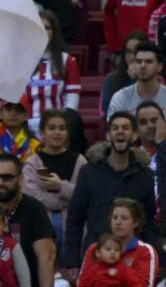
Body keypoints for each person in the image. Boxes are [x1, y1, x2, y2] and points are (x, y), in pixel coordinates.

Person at [64, 111, 157, 265]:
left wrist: (151, 257)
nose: (120, 131)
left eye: (125, 128)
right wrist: (72, 261)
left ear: (134, 135)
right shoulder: (89, 172)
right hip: (96, 255)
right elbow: (75, 218)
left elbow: (149, 221)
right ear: (108, 135)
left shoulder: (144, 174)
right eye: (115, 128)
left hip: (132, 257)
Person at [23, 109, 87, 242]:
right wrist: (64, 200)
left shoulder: (80, 160)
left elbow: (85, 195)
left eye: (62, 128)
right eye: (51, 128)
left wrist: (60, 186)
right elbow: (33, 198)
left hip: (74, 226)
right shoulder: (32, 163)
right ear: (42, 132)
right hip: (41, 227)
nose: (57, 132)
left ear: (68, 132)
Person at [107, 42, 166, 117]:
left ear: (159, 67)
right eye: (138, 61)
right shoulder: (120, 98)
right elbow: (115, 127)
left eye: (149, 62)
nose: (143, 66)